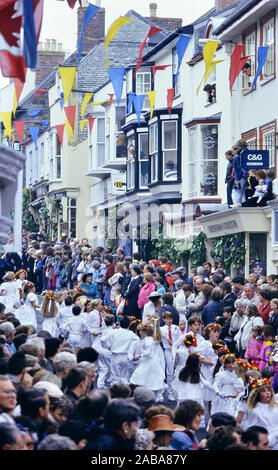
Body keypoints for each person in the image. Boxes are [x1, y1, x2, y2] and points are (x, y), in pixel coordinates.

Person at [130, 323, 166, 402]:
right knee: (148, 378)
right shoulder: (148, 339)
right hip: (148, 360)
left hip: (149, 361)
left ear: (144, 332)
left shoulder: (148, 340)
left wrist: (140, 355)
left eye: (140, 331)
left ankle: (150, 395)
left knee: (146, 377)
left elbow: (148, 353)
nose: (139, 332)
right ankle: (147, 394)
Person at [246, 378, 278, 449]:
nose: (267, 393)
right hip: (267, 440)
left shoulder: (275, 405)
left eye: (269, 390)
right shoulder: (255, 410)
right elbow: (253, 428)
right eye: (264, 391)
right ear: (258, 394)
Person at [160, 312, 181, 401]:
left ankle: (177, 391)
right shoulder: (161, 329)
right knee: (170, 372)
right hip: (168, 350)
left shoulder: (176, 328)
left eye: (170, 319)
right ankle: (170, 392)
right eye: (167, 319)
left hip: (176, 350)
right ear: (164, 320)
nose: (169, 321)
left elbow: (179, 339)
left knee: (178, 370)